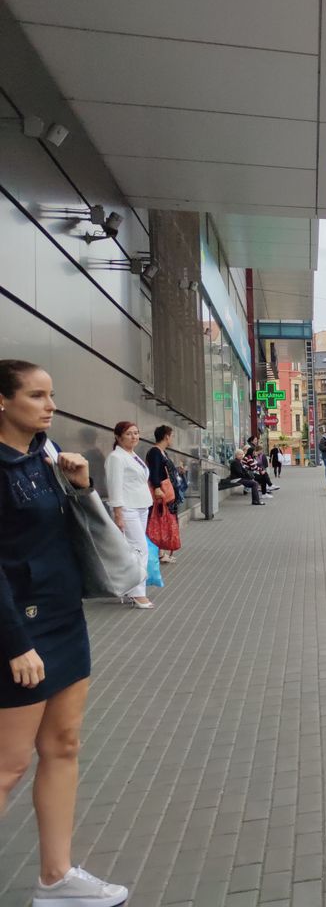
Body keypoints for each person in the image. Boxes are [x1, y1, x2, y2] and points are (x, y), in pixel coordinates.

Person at [0, 360, 129, 906]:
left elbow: (72, 536)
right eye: (36, 396)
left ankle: (55, 878)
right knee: (9, 764)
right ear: (2, 403)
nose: (50, 405)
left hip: (64, 618)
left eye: (51, 395)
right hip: (18, 632)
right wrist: (15, 644)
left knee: (64, 745)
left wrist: (81, 486)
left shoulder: (46, 457)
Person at [104, 422, 155, 610]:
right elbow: (114, 486)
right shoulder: (116, 457)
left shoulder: (133, 456)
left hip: (141, 506)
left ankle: (129, 588)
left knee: (135, 550)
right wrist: (118, 514)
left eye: (136, 433)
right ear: (118, 437)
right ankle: (137, 592)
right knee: (139, 549)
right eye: (129, 434)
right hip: (127, 508)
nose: (134, 437)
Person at [146, 425, 181, 564]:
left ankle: (161, 553)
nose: (172, 439)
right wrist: (156, 487)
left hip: (165, 492)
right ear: (166, 436)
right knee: (159, 521)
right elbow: (154, 472)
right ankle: (158, 553)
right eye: (172, 436)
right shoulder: (155, 452)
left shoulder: (162, 452)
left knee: (163, 522)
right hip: (161, 493)